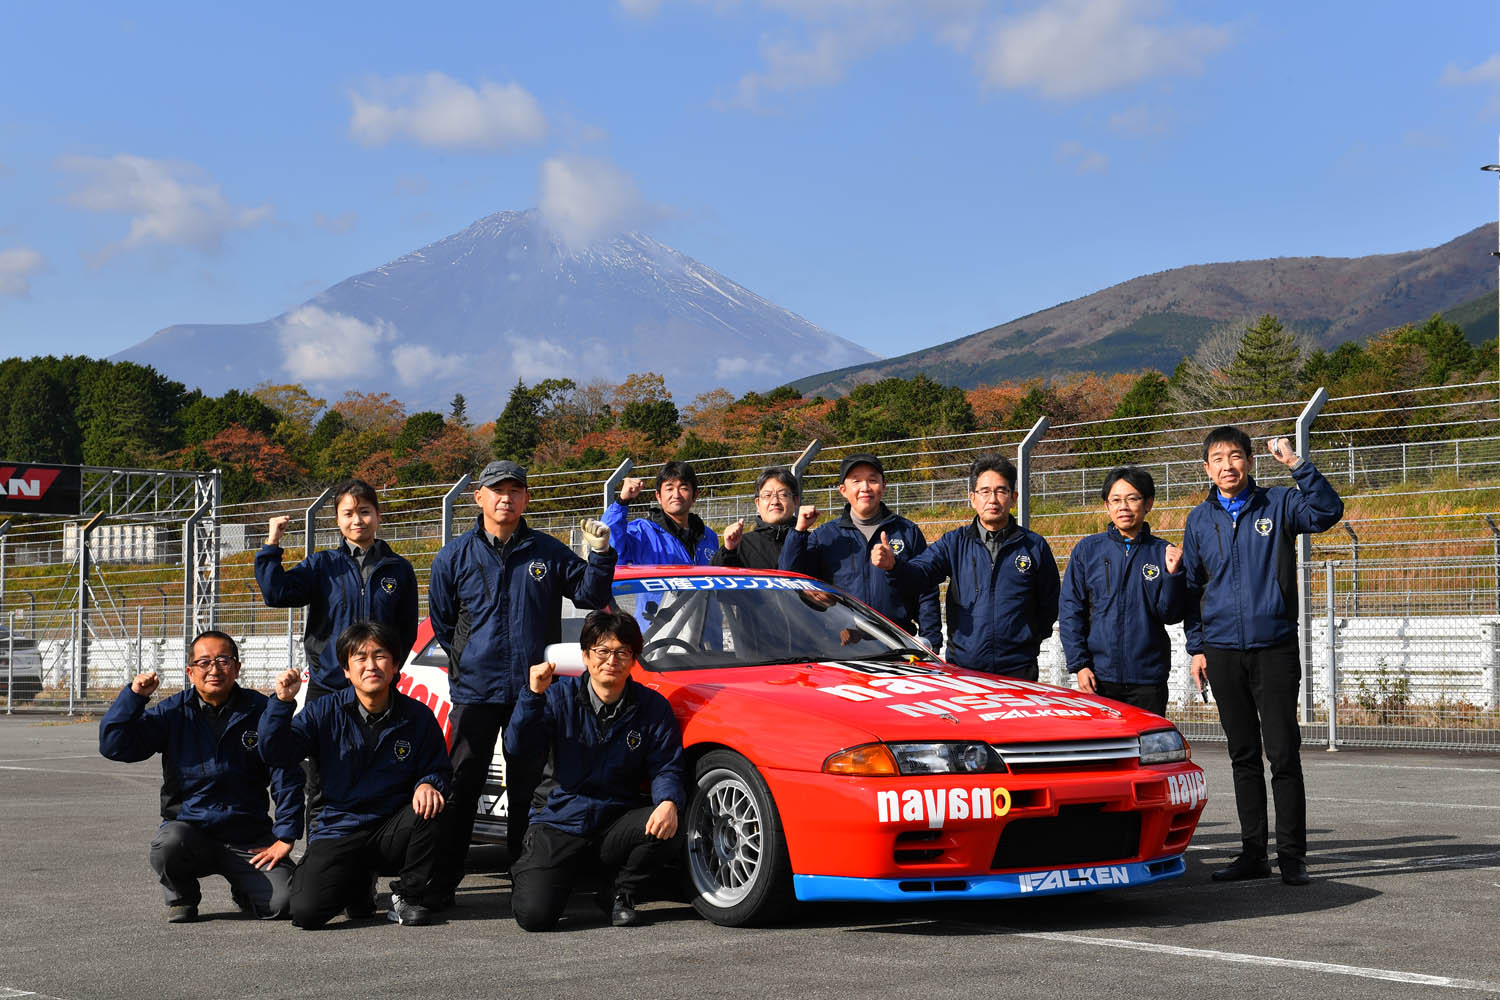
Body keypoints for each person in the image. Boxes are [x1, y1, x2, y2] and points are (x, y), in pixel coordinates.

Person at [426, 459, 617, 902]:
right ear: (478, 497)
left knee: (529, 786)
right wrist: (467, 659)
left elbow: (591, 595)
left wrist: (601, 555)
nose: (505, 498)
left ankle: (525, 875)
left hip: (532, 691)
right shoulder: (453, 555)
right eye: (496, 490)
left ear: (526, 498)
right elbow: (443, 620)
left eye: (515, 490)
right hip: (475, 692)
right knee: (462, 785)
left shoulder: (547, 551)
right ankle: (443, 881)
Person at [1183, 427, 1344, 888]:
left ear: (1250, 462)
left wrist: (1297, 464)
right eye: (1217, 458)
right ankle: (1253, 853)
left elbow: (1328, 511)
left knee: (1283, 753)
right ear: (1206, 468)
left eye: (1236, 457)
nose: (1227, 466)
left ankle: (1293, 857)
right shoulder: (1199, 520)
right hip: (1222, 652)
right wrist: (1197, 647)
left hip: (1273, 647)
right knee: (1242, 755)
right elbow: (1192, 588)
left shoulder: (1278, 504)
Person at [98, 630, 303, 923]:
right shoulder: (173, 712)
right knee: (168, 845)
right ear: (190, 671)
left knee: (288, 903)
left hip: (248, 837)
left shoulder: (261, 711)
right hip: (192, 832)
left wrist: (285, 835)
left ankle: (246, 890)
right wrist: (133, 698)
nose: (214, 669)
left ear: (237, 667)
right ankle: (181, 895)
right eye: (204, 662)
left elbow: (286, 772)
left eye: (223, 660)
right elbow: (114, 746)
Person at [254, 478, 419, 839]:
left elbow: (406, 630)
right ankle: (321, 859)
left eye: (364, 511)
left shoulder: (399, 570)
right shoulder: (321, 565)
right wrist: (272, 543)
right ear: (337, 520)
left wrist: (388, 671)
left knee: (378, 775)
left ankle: (368, 865)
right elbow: (276, 593)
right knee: (320, 779)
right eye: (348, 513)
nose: (357, 520)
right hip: (328, 689)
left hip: (378, 693)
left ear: (377, 515)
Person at [259, 621, 452, 928]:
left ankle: (407, 897)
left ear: (395, 664)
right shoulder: (323, 712)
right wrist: (282, 704)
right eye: (360, 658)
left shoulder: (418, 716)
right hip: (338, 827)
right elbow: (277, 754)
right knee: (306, 913)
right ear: (346, 670)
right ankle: (357, 881)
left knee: (434, 806)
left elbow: (439, 767)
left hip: (390, 827)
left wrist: (429, 783)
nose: (371, 665)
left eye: (380, 656)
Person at [506, 610, 685, 930]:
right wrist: (532, 696)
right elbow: (518, 748)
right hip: (561, 820)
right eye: (602, 651)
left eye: (622, 652)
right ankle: (535, 868)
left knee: (669, 821)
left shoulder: (652, 707)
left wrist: (668, 801)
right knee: (535, 916)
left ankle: (619, 893)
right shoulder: (558, 697)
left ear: (634, 658)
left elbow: (666, 766)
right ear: (586, 656)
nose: (611, 660)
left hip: (614, 821)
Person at [873, 454, 1056, 678]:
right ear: (972, 498)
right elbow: (921, 573)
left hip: (1019, 671)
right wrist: (895, 566)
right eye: (985, 491)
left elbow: (1049, 604)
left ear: (1013, 497)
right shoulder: (954, 543)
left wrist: (1027, 640)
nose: (993, 499)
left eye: (1001, 491)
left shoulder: (1034, 546)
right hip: (966, 670)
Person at [782, 453, 942, 651]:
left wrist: (931, 642)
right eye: (856, 481)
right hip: (841, 647)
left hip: (897, 646)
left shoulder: (907, 532)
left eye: (872, 480)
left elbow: (925, 590)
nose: (865, 488)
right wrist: (799, 532)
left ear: (883, 486)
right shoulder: (825, 536)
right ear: (843, 490)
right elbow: (790, 578)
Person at [1058, 466, 1185, 715]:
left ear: (1148, 503)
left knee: (1146, 750)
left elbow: (1170, 615)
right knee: (1100, 750)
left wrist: (1173, 576)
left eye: (1132, 498)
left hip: (1148, 678)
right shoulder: (1087, 551)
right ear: (1107, 505)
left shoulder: (1163, 552)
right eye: (1116, 500)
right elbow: (1071, 611)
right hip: (1098, 677)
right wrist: (1080, 665)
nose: (1123, 507)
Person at [603, 461, 718, 565]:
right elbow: (610, 542)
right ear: (658, 496)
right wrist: (622, 501)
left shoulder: (708, 536)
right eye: (669, 489)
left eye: (684, 488)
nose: (676, 495)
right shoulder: (642, 533)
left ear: (695, 495)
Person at [712, 466, 799, 570]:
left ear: (795, 501)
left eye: (783, 495)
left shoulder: (810, 543)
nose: (775, 501)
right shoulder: (741, 545)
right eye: (767, 495)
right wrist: (728, 550)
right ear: (757, 503)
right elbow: (714, 578)